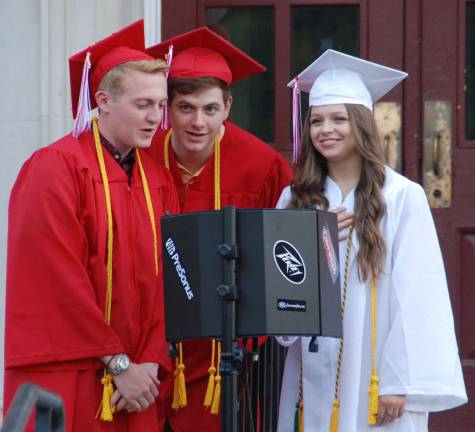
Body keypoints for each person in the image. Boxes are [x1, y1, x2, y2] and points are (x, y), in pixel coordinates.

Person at [276, 50, 467, 432]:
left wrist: (400, 382)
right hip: (313, 368)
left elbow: (418, 294)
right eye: (316, 120)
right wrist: (312, 250)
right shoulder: (294, 199)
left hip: (378, 369)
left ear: (361, 123)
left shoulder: (399, 196)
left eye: (338, 119)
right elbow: (282, 305)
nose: (325, 129)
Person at [3, 20, 179, 431]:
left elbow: (171, 276)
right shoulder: (56, 167)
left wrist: (150, 361)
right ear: (103, 101)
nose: (156, 117)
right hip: (76, 376)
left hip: (138, 386)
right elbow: (56, 278)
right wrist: (118, 363)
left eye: (160, 104)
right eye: (143, 105)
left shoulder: (156, 179)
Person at [145, 27, 293, 431]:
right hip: (150, 333)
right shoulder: (143, 155)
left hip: (226, 343)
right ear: (167, 109)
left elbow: (283, 246)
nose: (197, 122)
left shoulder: (261, 164)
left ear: (228, 106)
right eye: (185, 108)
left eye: (210, 109)